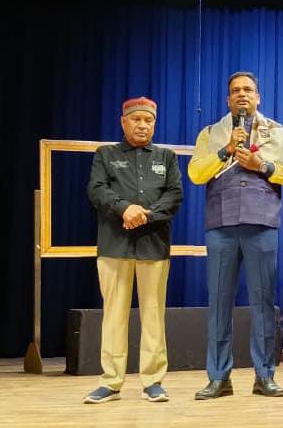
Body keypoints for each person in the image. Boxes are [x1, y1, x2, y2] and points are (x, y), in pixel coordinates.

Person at [188, 71, 283, 400]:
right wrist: (225, 150)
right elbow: (195, 173)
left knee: (263, 303)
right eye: (236, 90)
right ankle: (218, 377)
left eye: (248, 90)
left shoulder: (276, 132)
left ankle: (264, 376)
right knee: (219, 303)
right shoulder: (211, 133)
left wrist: (261, 165)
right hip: (221, 224)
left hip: (261, 223)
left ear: (258, 97)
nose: (242, 95)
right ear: (228, 99)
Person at [84, 97, 183, 404]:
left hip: (154, 245)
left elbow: (174, 195)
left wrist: (146, 216)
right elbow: (97, 190)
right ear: (123, 122)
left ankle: (153, 381)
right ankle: (111, 382)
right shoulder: (106, 154)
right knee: (114, 315)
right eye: (136, 120)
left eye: (148, 120)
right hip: (115, 244)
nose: (142, 125)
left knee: (153, 315)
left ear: (154, 124)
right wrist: (124, 209)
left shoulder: (166, 157)